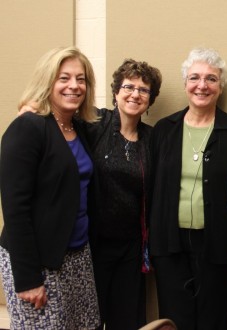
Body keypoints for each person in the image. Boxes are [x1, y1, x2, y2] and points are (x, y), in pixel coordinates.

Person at [148, 47, 227, 329]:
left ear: (220, 86)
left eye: (211, 79)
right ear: (184, 84)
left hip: (218, 242)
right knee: (173, 319)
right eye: (194, 78)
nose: (202, 85)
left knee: (213, 319)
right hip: (169, 243)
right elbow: (152, 188)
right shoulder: (163, 130)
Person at [0, 46, 100, 329]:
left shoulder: (79, 127)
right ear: (47, 82)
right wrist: (28, 278)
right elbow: (15, 209)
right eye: (64, 78)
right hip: (39, 261)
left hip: (77, 257)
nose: (74, 86)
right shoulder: (28, 128)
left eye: (81, 79)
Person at [87, 59, 162, 329]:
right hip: (92, 245)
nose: (135, 94)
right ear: (116, 92)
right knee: (90, 318)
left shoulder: (153, 139)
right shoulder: (95, 123)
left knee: (127, 319)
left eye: (144, 90)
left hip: (132, 248)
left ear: (150, 100)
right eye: (128, 86)